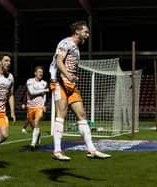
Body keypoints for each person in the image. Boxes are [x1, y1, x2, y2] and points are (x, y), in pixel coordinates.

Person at [49, 21, 111, 160]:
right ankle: (57, 151)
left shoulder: (76, 47)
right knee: (61, 113)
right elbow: (59, 61)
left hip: (70, 83)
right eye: (85, 32)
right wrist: (67, 74)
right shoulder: (66, 43)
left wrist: (72, 75)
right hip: (59, 81)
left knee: (82, 114)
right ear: (77, 31)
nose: (87, 35)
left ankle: (91, 150)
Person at [26, 66, 48, 150]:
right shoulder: (30, 81)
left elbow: (44, 95)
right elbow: (31, 92)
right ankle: (38, 134)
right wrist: (44, 90)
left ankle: (32, 144)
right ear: (35, 73)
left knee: (36, 122)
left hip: (39, 106)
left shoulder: (44, 83)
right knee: (33, 125)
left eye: (42, 72)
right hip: (30, 106)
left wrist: (43, 105)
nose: (41, 73)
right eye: (39, 71)